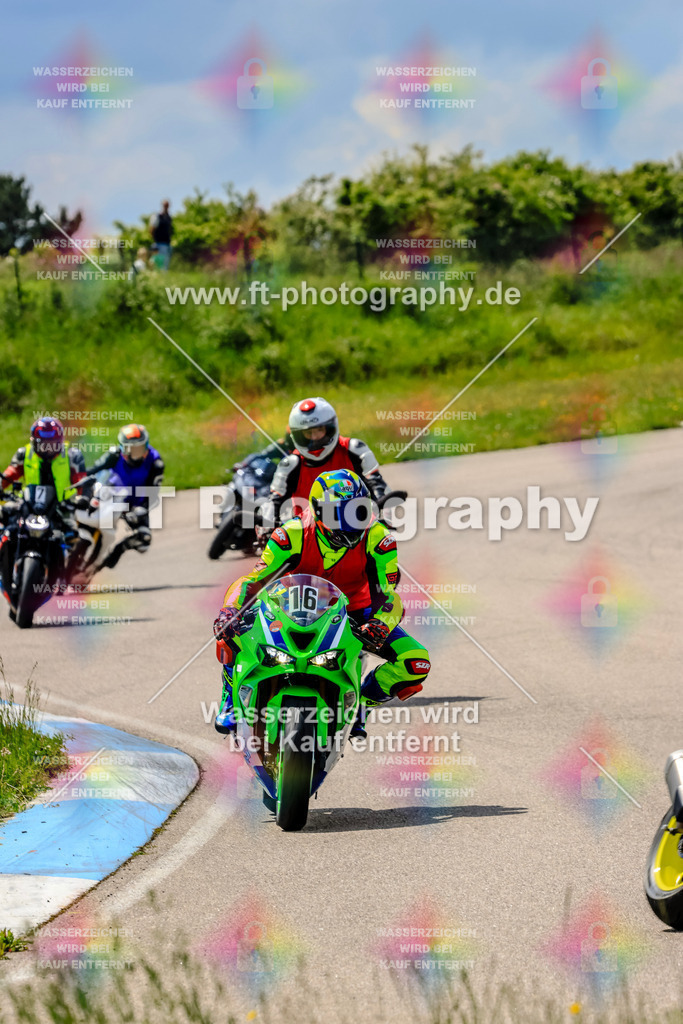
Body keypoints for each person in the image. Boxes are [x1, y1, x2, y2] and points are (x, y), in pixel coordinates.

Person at [213, 469, 430, 733]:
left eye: (358, 511)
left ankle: (360, 704)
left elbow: (389, 596)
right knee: (229, 630)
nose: (351, 522)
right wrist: (229, 611)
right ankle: (230, 697)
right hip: (287, 607)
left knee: (415, 661)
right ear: (319, 511)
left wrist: (380, 624)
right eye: (340, 513)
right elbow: (252, 581)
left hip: (354, 614)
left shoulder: (379, 538)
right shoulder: (291, 533)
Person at [259, 397, 391, 538]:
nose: (314, 438)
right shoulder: (290, 464)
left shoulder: (354, 450)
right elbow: (274, 499)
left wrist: (383, 513)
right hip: (309, 539)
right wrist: (267, 527)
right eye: (307, 433)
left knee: (383, 554)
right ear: (297, 435)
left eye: (319, 430)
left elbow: (377, 484)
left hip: (356, 533)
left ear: (330, 428)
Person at [0, 417, 86, 598]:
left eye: (53, 444)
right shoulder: (24, 453)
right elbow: (10, 475)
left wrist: (81, 498)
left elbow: (81, 482)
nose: (48, 448)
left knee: (75, 537)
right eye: (43, 444)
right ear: (34, 441)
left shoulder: (72, 455)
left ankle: (65, 577)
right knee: (6, 523)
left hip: (61, 507)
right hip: (30, 504)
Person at [86, 423, 164, 570]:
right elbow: (92, 470)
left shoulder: (155, 462)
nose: (134, 453)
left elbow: (153, 492)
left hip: (135, 504)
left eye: (138, 448)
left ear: (146, 446)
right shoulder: (114, 454)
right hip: (111, 493)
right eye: (129, 448)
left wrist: (142, 509)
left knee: (144, 540)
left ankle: (116, 552)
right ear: (122, 447)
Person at [150, 200, 173, 271]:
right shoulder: (157, 216)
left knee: (165, 265)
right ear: (162, 206)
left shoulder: (169, 217)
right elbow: (152, 229)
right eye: (165, 205)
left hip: (167, 244)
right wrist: (155, 240)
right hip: (159, 244)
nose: (166, 207)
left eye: (167, 205)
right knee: (158, 265)